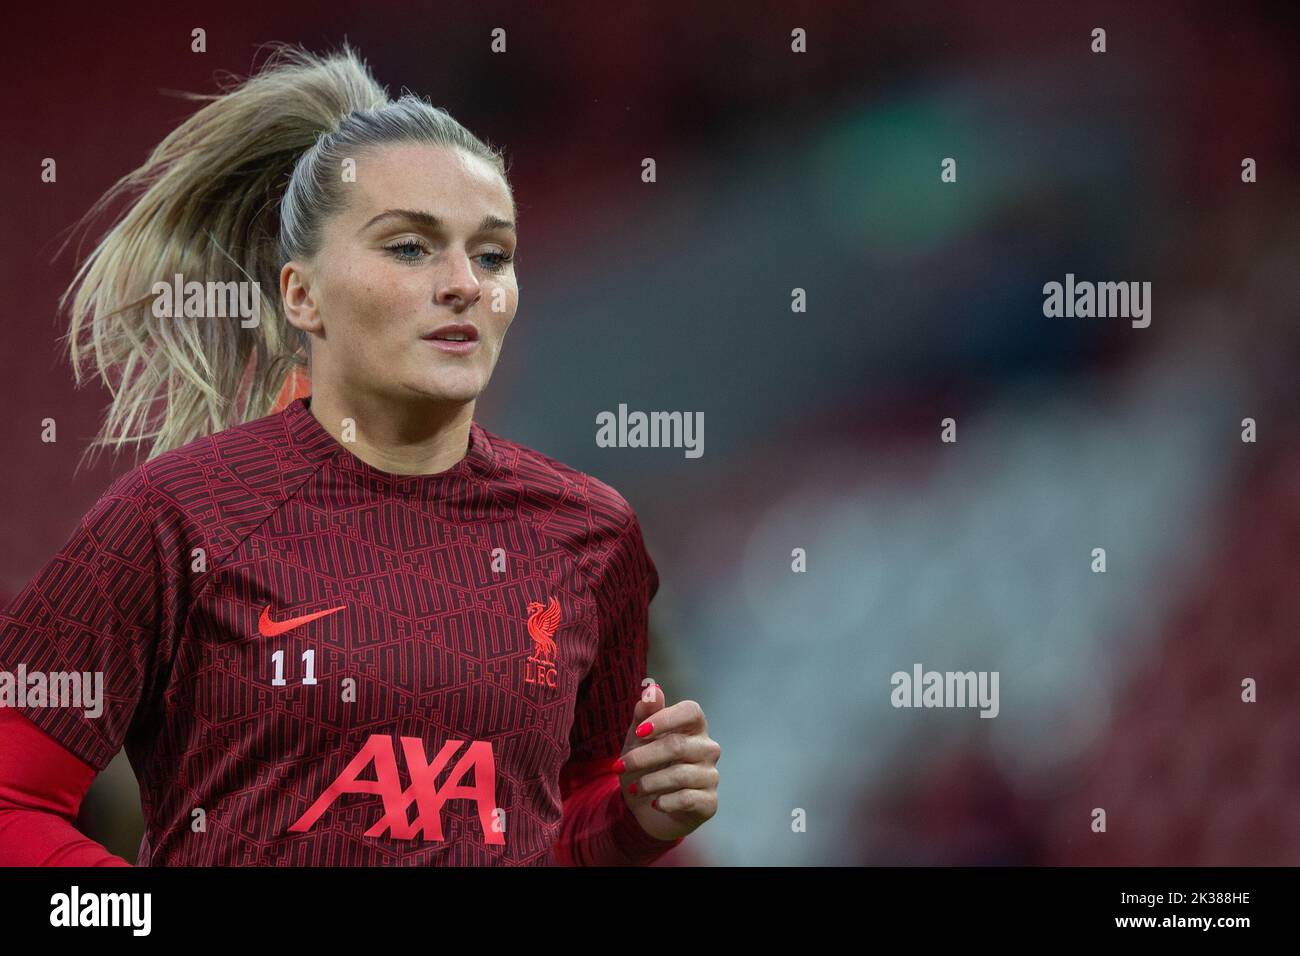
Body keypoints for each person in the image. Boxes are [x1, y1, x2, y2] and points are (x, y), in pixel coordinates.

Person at [0, 43, 719, 866]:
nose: (463, 284)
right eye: (410, 248)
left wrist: (639, 817)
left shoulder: (591, 535)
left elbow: (565, 824)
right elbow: (10, 802)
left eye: (491, 255)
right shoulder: (175, 518)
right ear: (301, 293)